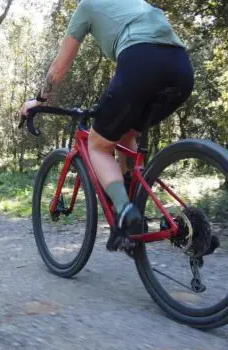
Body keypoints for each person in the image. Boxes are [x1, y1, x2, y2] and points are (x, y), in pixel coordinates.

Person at [21, 0, 194, 251]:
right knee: (125, 137)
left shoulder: (87, 6)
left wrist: (38, 99)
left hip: (141, 61)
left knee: (98, 145)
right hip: (181, 67)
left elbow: (59, 68)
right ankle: (137, 208)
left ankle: (126, 213)